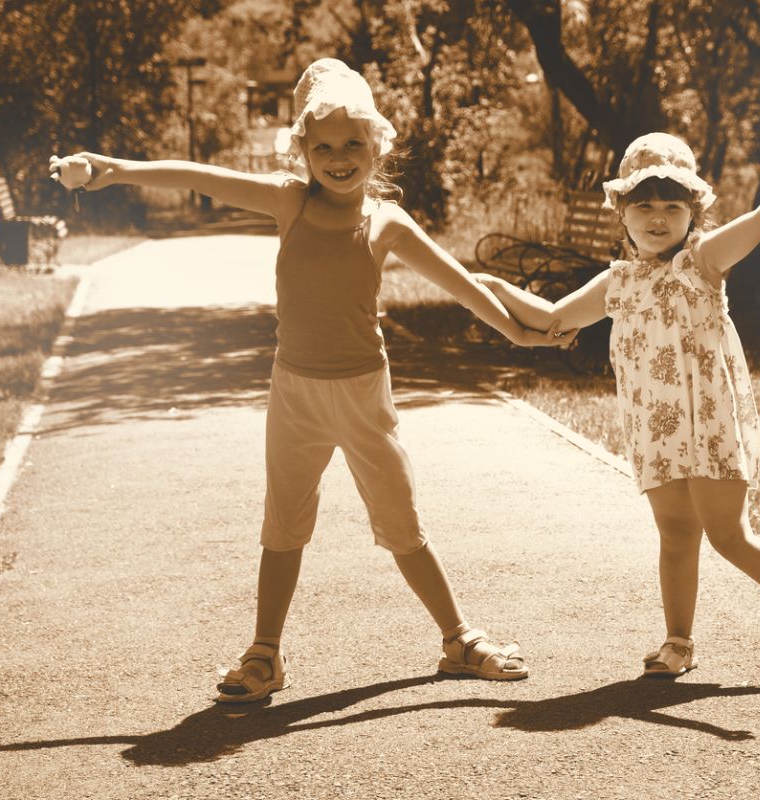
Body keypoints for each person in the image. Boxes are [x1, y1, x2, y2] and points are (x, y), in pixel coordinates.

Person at [51, 58, 576, 702]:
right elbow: (198, 176)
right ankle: (264, 653)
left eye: (352, 143)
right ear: (302, 150)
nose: (338, 158)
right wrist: (116, 168)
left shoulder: (386, 222)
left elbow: (464, 287)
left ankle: (459, 640)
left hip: (363, 395)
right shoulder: (288, 201)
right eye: (322, 147)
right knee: (283, 525)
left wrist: (521, 334)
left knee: (401, 522)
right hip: (294, 393)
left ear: (377, 146)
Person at [473, 130, 760, 680]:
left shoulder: (703, 260)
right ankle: (678, 643)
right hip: (655, 426)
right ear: (621, 212)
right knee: (676, 534)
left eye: (673, 206)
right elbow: (551, 317)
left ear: (693, 211)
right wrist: (487, 286)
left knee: (728, 536)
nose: (658, 217)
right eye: (644, 205)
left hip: (710, 421)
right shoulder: (617, 282)